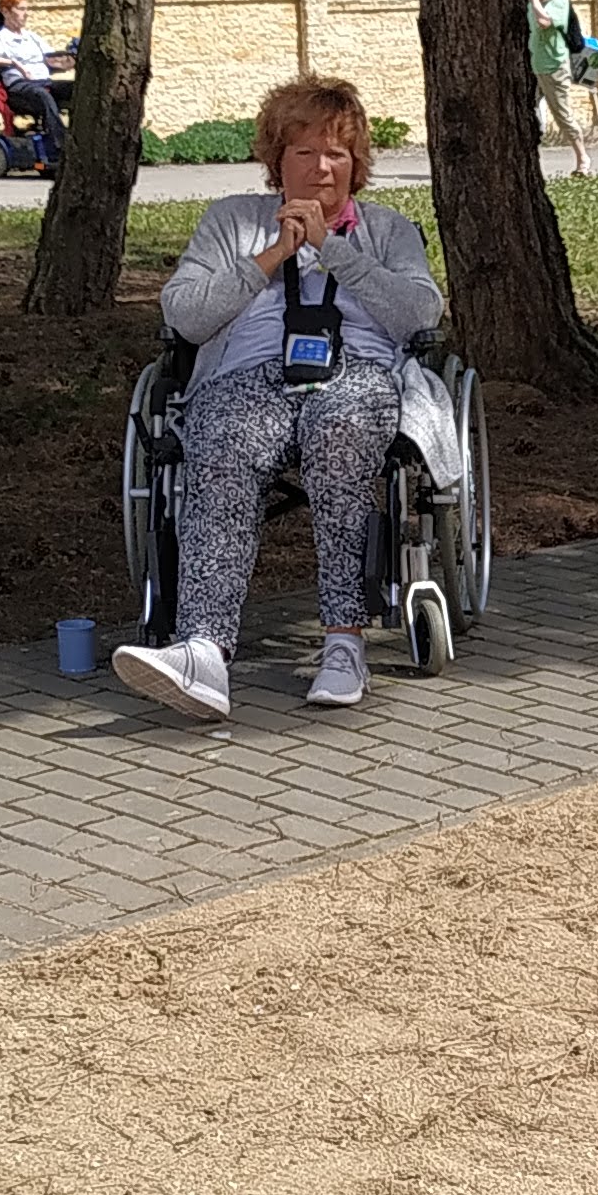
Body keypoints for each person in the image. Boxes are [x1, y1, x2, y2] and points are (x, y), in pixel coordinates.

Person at [114, 76, 442, 722]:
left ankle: (344, 643)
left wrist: (332, 251)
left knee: (341, 436)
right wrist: (271, 256)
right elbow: (185, 316)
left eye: (337, 153)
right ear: (277, 160)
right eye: (304, 152)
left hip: (356, 376)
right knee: (223, 441)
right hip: (247, 376)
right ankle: (203, 652)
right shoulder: (232, 221)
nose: (322, 168)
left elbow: (419, 314)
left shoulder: (388, 230)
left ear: (356, 162)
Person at [525, 0, 591, 179]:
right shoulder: (532, 1)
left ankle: (582, 158)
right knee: (524, 111)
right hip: (534, 65)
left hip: (554, 67)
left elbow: (544, 23)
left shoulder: (558, 0)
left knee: (562, 115)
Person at [0, 0, 71, 145]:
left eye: (27, 9)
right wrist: (13, 63)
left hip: (44, 81)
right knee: (42, 95)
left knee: (77, 88)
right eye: (21, 9)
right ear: (5, 12)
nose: (26, 14)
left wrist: (69, 60)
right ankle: (61, 143)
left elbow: (51, 58)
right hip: (19, 87)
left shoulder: (31, 36)